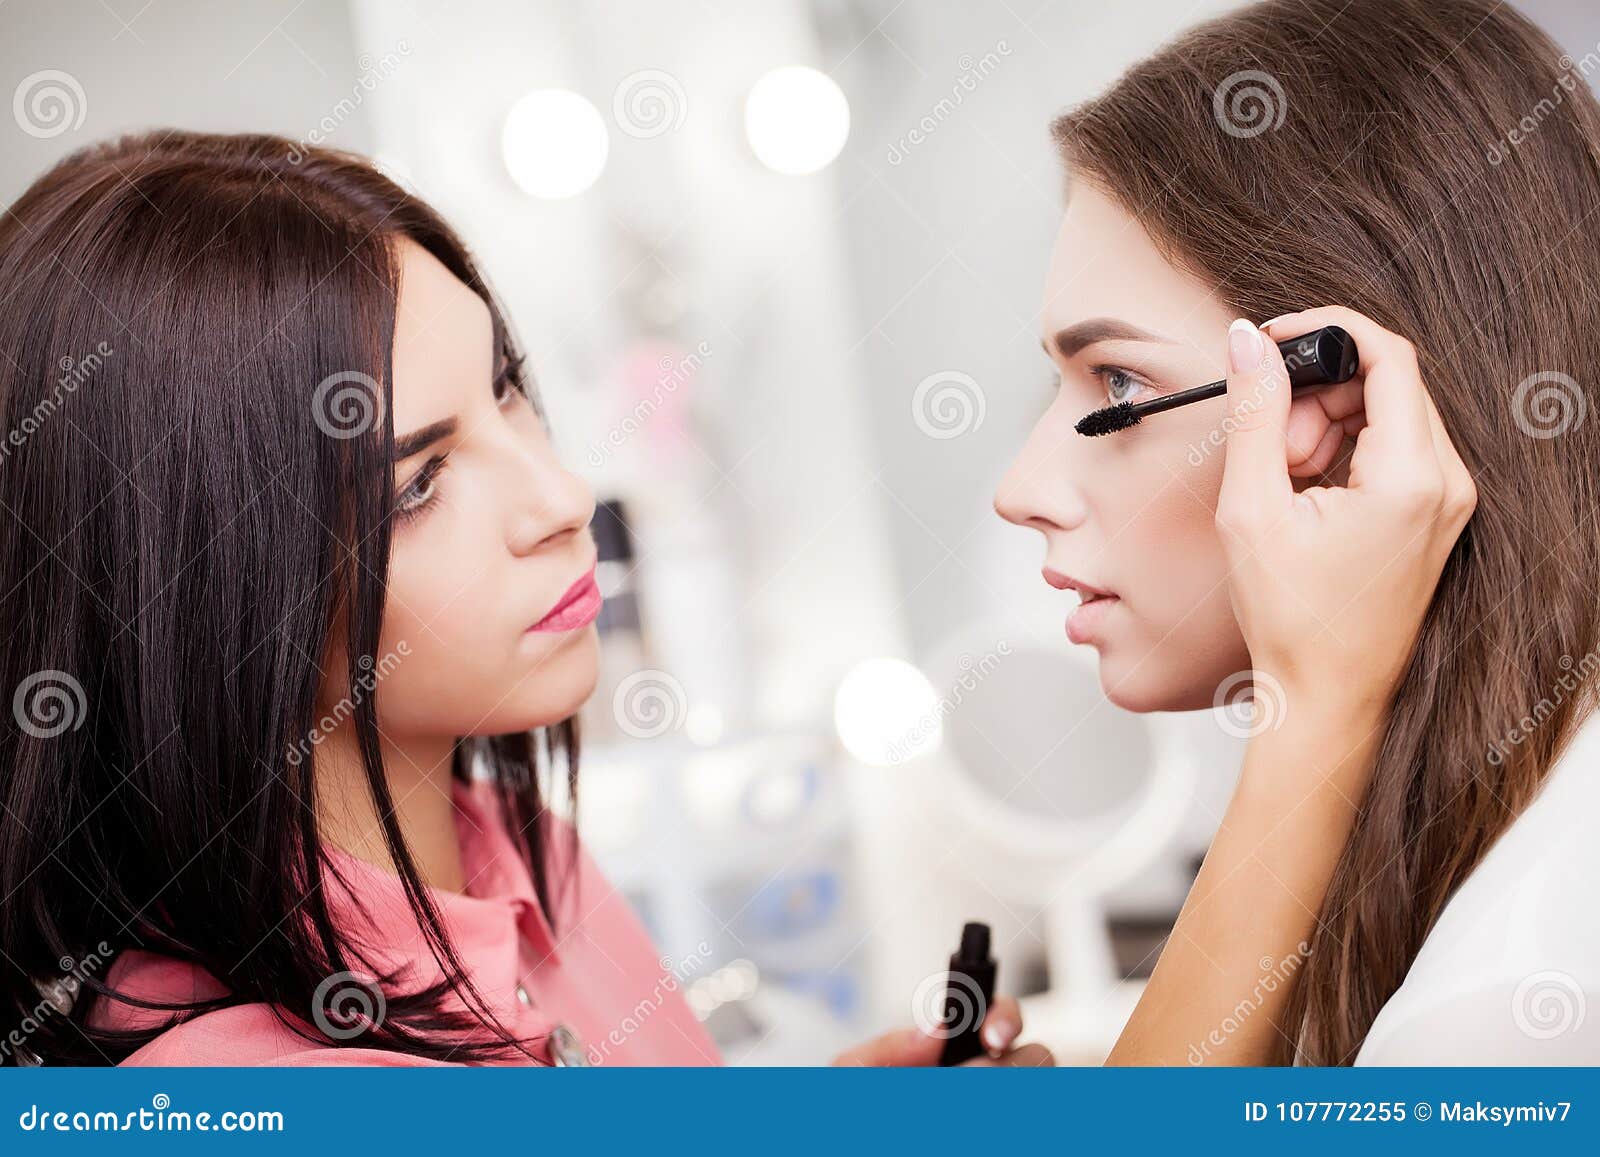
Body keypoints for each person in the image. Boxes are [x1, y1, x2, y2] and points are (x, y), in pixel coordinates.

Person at [0, 131, 1049, 1068]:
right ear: (203, 603)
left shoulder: (525, 848)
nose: (563, 497)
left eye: (508, 391)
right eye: (415, 484)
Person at [997, 0, 1596, 1063]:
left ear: (1346, 404)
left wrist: (1312, 707)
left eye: (1118, 384)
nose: (1022, 488)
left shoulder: (1498, 1017)